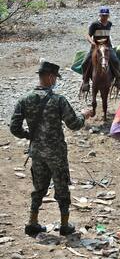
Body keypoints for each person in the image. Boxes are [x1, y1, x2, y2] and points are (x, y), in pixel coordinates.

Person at [10, 61, 92, 236]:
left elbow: (14, 128)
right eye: (54, 77)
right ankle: (64, 225)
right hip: (56, 154)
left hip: (37, 153)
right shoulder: (58, 100)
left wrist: (29, 135)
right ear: (49, 77)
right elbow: (74, 124)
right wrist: (84, 115)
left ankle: (32, 222)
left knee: (38, 187)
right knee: (61, 187)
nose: (55, 81)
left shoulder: (25, 99)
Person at [81, 6, 120, 92]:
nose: (104, 17)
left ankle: (119, 79)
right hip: (96, 46)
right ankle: (85, 82)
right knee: (85, 62)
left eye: (106, 15)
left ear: (108, 16)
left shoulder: (109, 24)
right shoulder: (94, 24)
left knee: (115, 60)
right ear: (100, 15)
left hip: (107, 46)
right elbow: (88, 35)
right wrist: (92, 42)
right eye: (103, 15)